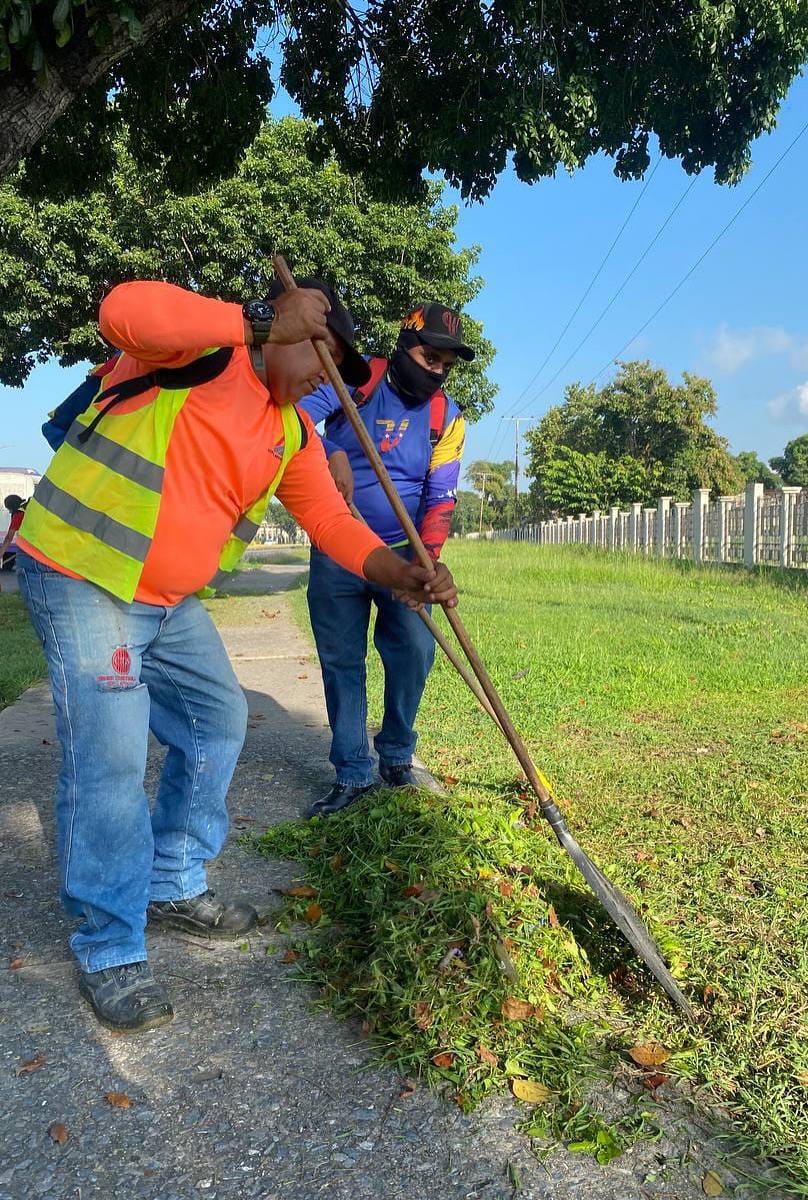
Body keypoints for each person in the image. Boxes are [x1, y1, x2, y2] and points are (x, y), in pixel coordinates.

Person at [16, 276, 458, 1034]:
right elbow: (122, 310)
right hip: (83, 577)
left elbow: (331, 520)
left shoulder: (292, 432)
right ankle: (110, 947)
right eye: (325, 358)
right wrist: (252, 321)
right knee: (110, 761)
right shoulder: (200, 350)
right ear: (287, 327)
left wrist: (403, 572)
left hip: (166, 601)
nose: (329, 381)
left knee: (218, 719)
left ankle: (172, 882)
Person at [298, 302, 473, 817]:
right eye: (429, 358)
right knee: (341, 661)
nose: (436, 371)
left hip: (402, 553)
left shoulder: (447, 418)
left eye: (445, 365)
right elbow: (293, 417)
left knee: (415, 652)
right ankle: (353, 772)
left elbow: (440, 496)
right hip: (338, 546)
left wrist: (425, 563)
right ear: (403, 346)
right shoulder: (356, 379)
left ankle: (396, 757)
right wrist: (328, 452)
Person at [0, 493, 27, 570]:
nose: (9, 512)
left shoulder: (18, 514)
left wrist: (1, 552)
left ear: (12, 507)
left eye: (9, 509)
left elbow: (9, 537)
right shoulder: (26, 509)